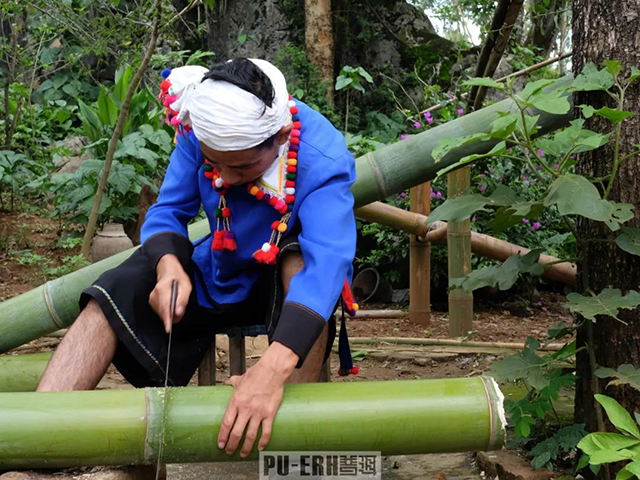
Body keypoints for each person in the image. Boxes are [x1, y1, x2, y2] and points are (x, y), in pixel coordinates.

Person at [37, 58, 359, 458]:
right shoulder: (199, 128)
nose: (224, 176)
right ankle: (38, 435)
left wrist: (270, 370)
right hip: (217, 268)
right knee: (113, 289)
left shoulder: (322, 156)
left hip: (286, 287)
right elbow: (168, 212)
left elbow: (328, 263)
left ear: (280, 136)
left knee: (300, 264)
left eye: (240, 166)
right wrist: (168, 266)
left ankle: (290, 452)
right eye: (214, 163)